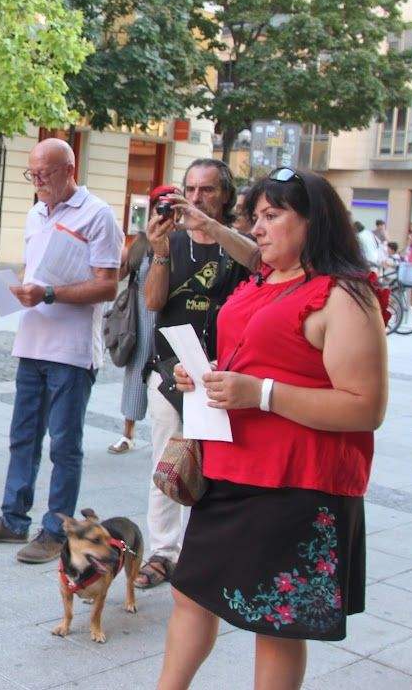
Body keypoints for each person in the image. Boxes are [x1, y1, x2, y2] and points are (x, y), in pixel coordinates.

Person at [158, 167, 387, 690]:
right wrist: (205, 375)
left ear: (314, 222)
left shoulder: (345, 295)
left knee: (277, 626)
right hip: (231, 467)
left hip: (296, 483)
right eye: (255, 216)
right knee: (190, 592)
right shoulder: (265, 278)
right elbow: (256, 349)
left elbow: (366, 407)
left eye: (273, 215)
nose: (258, 228)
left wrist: (259, 393)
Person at [0, 139, 122, 563]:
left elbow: (107, 284)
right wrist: (9, 294)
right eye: (30, 175)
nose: (36, 183)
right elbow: (34, 274)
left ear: (69, 169)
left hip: (71, 351)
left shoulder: (98, 215)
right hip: (31, 342)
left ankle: (57, 530)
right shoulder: (36, 212)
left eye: (44, 174)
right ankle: (13, 518)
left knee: (64, 444)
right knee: (22, 436)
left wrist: (48, 293)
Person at [136, 159, 256, 590]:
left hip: (224, 372)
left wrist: (214, 228)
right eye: (190, 189)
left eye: (206, 190)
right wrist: (161, 252)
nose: (196, 198)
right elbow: (153, 302)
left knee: (217, 467)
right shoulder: (172, 240)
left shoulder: (237, 242)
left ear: (225, 195)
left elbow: (259, 261)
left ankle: (204, 550)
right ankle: (163, 552)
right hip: (172, 368)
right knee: (167, 464)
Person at [108, 185, 177, 454]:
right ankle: (128, 432)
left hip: (172, 313)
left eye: (170, 207)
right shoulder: (142, 240)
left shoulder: (185, 238)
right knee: (137, 369)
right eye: (160, 207)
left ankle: (173, 435)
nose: (165, 214)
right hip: (142, 315)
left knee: (172, 371)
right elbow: (120, 273)